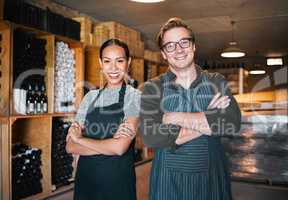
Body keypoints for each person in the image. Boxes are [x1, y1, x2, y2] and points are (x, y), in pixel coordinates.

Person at [139, 17, 241, 200]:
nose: (178, 50)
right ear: (163, 53)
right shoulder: (152, 88)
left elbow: (231, 123)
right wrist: (209, 117)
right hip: (167, 184)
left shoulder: (215, 81)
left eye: (184, 42)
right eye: (170, 45)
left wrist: (172, 117)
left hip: (212, 182)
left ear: (193, 46)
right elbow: (151, 136)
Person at [66, 39, 141, 200]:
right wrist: (109, 144)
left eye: (119, 61)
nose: (113, 68)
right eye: (107, 61)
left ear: (128, 62)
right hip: (86, 182)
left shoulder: (134, 96)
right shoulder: (90, 97)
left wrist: (81, 139)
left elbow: (120, 148)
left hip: (117, 184)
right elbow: (70, 146)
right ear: (101, 63)